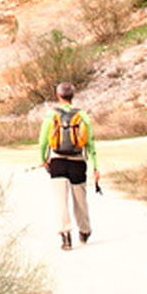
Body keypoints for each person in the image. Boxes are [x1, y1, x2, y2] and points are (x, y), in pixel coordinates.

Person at [38, 82, 99, 250]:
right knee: (80, 199)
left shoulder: (51, 116)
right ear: (73, 95)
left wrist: (43, 158)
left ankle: (65, 235)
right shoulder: (82, 116)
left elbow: (43, 140)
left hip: (57, 161)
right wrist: (95, 167)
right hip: (77, 162)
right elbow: (90, 143)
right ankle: (85, 230)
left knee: (60, 200)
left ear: (58, 95)